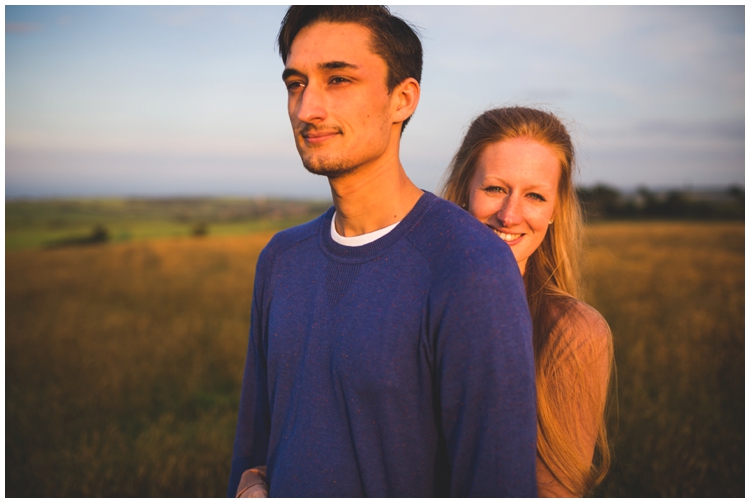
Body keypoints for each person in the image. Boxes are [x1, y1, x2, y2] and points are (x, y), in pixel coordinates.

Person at [226, 6, 538, 498]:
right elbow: (253, 449)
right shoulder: (282, 259)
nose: (307, 108)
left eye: (338, 80)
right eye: (295, 83)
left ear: (402, 99)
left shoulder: (469, 264)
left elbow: (497, 482)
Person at [441, 106, 613, 497]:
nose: (509, 215)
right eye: (495, 189)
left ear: (554, 211)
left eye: (535, 195)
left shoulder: (573, 331)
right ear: (464, 191)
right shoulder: (411, 304)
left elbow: (557, 490)